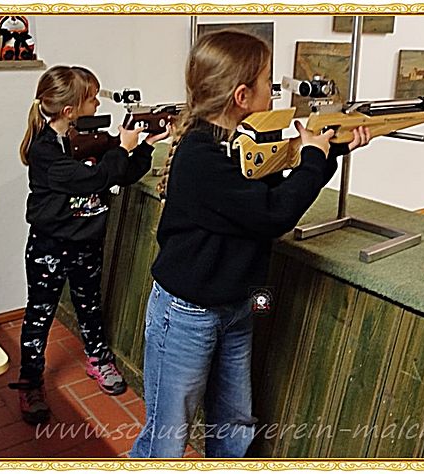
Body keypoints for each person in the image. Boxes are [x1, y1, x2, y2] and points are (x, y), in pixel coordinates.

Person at [130, 31, 370, 458]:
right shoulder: (202, 157)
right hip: (187, 314)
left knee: (235, 424)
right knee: (165, 439)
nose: (273, 91)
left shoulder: (238, 144)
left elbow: (272, 194)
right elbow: (274, 214)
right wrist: (313, 157)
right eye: (267, 82)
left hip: (239, 305)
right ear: (242, 96)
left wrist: (330, 151)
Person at [10, 65, 169, 425]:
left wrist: (144, 145)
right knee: (39, 315)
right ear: (70, 110)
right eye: (92, 98)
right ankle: (30, 382)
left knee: (90, 307)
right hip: (49, 248)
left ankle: (98, 360)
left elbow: (122, 173)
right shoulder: (45, 151)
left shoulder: (90, 139)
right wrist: (123, 148)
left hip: (86, 245)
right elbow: (93, 178)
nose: (98, 104)